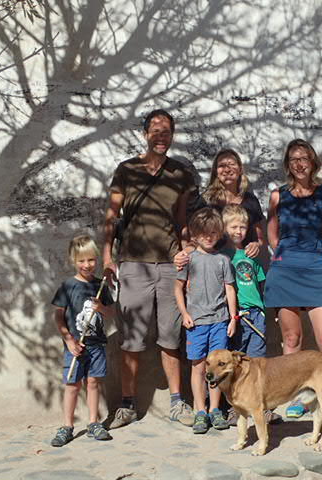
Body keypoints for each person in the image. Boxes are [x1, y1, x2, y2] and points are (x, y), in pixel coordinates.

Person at [102, 109, 196, 429]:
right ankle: (127, 405)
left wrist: (186, 251)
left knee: (171, 337)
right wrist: (107, 256)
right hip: (133, 264)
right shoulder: (127, 170)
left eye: (166, 131)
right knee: (131, 339)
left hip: (170, 265)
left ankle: (177, 402)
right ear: (145, 134)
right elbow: (111, 216)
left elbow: (181, 221)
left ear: (172, 135)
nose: (161, 136)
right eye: (155, 130)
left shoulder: (180, 174)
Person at [264, 138, 322, 422]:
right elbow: (271, 233)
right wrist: (283, 256)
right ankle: (296, 395)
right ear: (288, 165)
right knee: (291, 338)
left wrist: (319, 256)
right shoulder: (278, 196)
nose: (299, 164)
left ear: (313, 162)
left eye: (304, 158)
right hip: (285, 271)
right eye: (294, 159)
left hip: (315, 270)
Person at [174, 207, 237, 434]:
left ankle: (215, 409)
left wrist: (233, 318)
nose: (208, 237)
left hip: (220, 321)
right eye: (203, 233)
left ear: (219, 233)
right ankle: (200, 410)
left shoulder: (223, 260)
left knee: (217, 367)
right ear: (195, 234)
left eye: (213, 233)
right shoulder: (188, 259)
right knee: (198, 366)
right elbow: (178, 288)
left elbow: (230, 289)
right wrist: (185, 313)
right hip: (197, 323)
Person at [50, 235, 115, 447]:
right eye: (81, 261)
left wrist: (101, 308)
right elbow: (58, 316)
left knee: (93, 383)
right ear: (73, 260)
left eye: (91, 260)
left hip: (96, 345)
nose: (87, 265)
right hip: (75, 347)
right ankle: (67, 426)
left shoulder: (100, 285)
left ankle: (93, 422)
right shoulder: (67, 286)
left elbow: (110, 313)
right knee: (72, 385)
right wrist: (69, 340)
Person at [221, 205, 282, 426]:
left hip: (256, 314)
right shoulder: (222, 256)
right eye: (233, 227)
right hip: (236, 315)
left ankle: (261, 408)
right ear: (224, 228)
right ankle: (233, 409)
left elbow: (260, 283)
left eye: (242, 227)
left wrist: (269, 310)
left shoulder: (252, 254)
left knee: (256, 362)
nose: (238, 231)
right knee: (234, 362)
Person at [174, 148, 265, 268]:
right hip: (212, 266)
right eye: (222, 166)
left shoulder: (250, 201)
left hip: (242, 265)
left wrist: (256, 245)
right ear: (216, 172)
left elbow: (260, 238)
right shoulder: (206, 201)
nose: (227, 169)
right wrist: (185, 253)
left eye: (231, 164)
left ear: (240, 169)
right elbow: (194, 238)